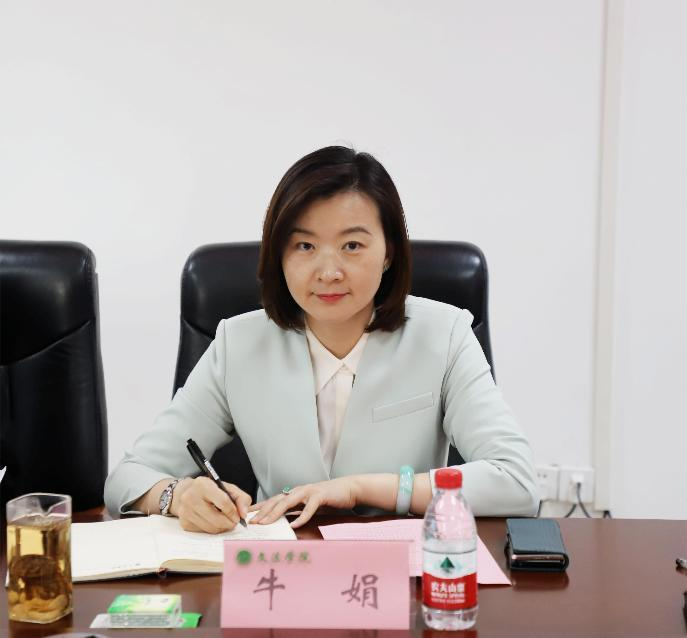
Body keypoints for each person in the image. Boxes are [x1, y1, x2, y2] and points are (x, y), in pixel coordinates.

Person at [104, 146, 539, 532]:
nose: (328, 272)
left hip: (400, 570)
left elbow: (516, 481)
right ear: (279, 255)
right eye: (305, 247)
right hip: (283, 566)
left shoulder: (444, 335)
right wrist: (177, 496)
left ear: (389, 252)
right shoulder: (238, 344)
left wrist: (360, 488)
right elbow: (128, 476)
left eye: (352, 246)